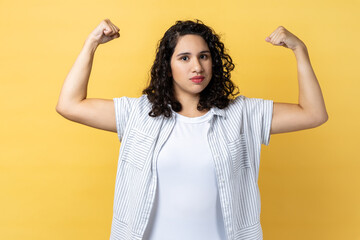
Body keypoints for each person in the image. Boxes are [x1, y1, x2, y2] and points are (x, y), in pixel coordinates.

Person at [56, 19, 328, 240]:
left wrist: (299, 50)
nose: (197, 66)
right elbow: (69, 104)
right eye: (184, 58)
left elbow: (313, 114)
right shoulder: (138, 114)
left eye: (204, 56)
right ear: (168, 66)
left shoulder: (242, 115)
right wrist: (91, 43)